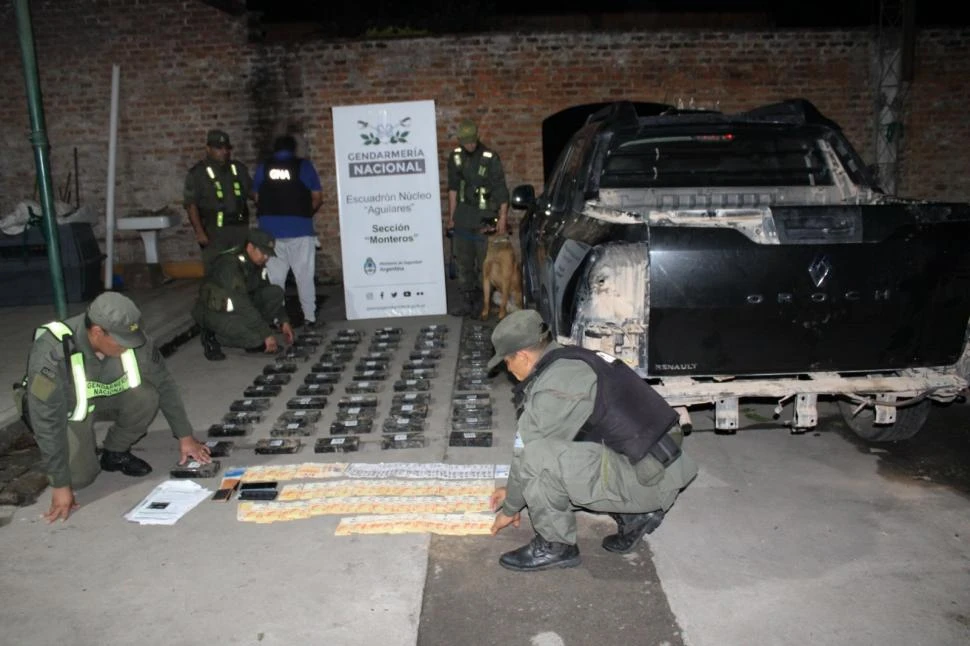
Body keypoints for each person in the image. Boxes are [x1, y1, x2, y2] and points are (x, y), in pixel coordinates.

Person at [487, 310, 698, 572]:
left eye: (506, 361)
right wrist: (514, 491)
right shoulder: (571, 359)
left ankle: (555, 546)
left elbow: (528, 453)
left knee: (538, 460)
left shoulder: (556, 386)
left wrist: (510, 507)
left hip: (649, 480)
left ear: (522, 355)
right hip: (658, 466)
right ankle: (635, 515)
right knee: (555, 458)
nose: (507, 369)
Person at [17, 292, 212, 522]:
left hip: (102, 396)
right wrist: (60, 484)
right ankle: (77, 453)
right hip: (66, 411)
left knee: (147, 395)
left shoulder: (132, 337)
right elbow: (46, 420)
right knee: (80, 479)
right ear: (97, 331)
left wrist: (185, 436)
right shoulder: (52, 351)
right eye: (120, 341)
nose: (128, 346)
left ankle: (114, 452)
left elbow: (165, 384)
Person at [253, 134, 324, 330]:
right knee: (304, 276)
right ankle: (309, 318)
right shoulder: (304, 166)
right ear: (294, 149)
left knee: (275, 280)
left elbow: (256, 196)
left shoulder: (264, 167)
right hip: (300, 230)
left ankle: (278, 319)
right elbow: (317, 197)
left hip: (270, 233)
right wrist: (305, 214)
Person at [192, 228, 295, 361]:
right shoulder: (230, 265)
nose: (266, 258)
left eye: (268, 254)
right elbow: (241, 303)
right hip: (217, 312)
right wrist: (265, 333)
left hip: (238, 308)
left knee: (276, 292)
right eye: (263, 253)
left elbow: (265, 288)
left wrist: (283, 321)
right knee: (256, 340)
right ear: (250, 247)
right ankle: (213, 335)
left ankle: (251, 328)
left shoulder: (256, 263)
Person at [446, 119, 509, 317]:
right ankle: (467, 301)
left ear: (477, 137)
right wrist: (451, 217)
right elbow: (453, 189)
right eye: (465, 142)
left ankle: (485, 303)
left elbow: (501, 189)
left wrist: (503, 217)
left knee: (485, 262)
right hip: (463, 216)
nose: (469, 145)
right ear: (460, 141)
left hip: (486, 218)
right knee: (463, 261)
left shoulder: (490, 158)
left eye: (472, 141)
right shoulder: (455, 157)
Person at [184, 129, 253, 263]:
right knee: (217, 269)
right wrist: (199, 232)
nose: (224, 152)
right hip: (214, 231)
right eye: (219, 148)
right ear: (208, 149)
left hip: (239, 229)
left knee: (241, 267)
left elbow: (252, 192)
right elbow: (191, 205)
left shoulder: (238, 168)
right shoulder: (198, 173)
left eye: (226, 148)